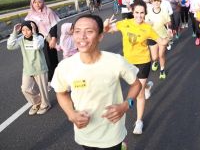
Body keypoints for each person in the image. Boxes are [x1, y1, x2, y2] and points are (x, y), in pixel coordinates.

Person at [52, 14, 141, 149]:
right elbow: (61, 93)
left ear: (100, 36)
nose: (82, 36)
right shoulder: (65, 67)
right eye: (77, 31)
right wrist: (71, 113)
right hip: (85, 133)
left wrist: (126, 105)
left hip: (112, 133)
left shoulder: (116, 61)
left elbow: (136, 84)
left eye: (89, 31)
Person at [103, 0, 169, 135]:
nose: (139, 15)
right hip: (127, 63)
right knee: (132, 88)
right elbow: (108, 31)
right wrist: (106, 26)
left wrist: (168, 37)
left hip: (143, 62)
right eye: (137, 12)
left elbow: (161, 42)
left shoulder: (147, 28)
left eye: (142, 13)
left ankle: (139, 121)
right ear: (132, 12)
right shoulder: (125, 23)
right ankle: (148, 86)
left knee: (139, 94)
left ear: (145, 13)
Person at [7, 21, 51, 115]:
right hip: (27, 69)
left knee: (43, 89)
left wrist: (35, 34)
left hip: (40, 67)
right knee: (25, 89)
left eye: (28, 30)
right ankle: (37, 102)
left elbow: (37, 46)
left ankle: (45, 104)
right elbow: (10, 46)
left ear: (32, 30)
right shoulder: (21, 39)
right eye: (23, 30)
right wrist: (14, 33)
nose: (25, 32)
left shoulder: (39, 37)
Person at [25, 0, 60, 84]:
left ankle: (56, 77)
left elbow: (53, 25)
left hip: (48, 38)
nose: (37, 4)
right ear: (32, 4)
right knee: (42, 59)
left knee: (52, 58)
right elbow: (27, 26)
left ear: (43, 2)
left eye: (39, 2)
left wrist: (53, 38)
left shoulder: (48, 11)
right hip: (37, 39)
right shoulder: (30, 14)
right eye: (35, 2)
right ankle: (48, 79)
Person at [145, 0, 172, 79]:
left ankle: (162, 70)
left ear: (160, 2)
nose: (156, 3)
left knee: (161, 55)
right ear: (152, 2)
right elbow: (145, 23)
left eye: (158, 1)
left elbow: (169, 22)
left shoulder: (164, 11)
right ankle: (155, 61)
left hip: (163, 36)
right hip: (152, 37)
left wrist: (169, 28)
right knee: (154, 57)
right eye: (154, 1)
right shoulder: (148, 12)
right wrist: (148, 24)